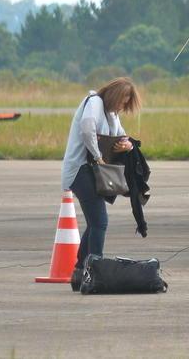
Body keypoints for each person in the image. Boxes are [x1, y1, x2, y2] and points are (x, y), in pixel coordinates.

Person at [61, 77, 141, 291]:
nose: (123, 106)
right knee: (100, 222)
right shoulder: (94, 102)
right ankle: (94, 273)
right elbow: (87, 130)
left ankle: (80, 272)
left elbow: (121, 135)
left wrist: (128, 145)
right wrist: (98, 157)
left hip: (92, 171)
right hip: (81, 170)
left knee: (95, 222)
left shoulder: (112, 114)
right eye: (124, 101)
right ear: (115, 96)